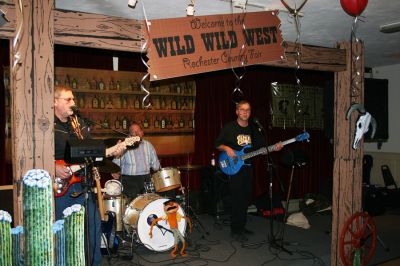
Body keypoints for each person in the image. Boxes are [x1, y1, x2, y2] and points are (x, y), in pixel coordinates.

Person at [54, 85, 124, 265]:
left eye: (73, 99)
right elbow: (35, 153)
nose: (73, 103)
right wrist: (52, 167)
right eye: (68, 99)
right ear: (54, 102)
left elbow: (90, 152)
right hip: (59, 188)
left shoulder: (78, 124)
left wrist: (113, 151)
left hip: (81, 184)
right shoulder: (47, 126)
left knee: (93, 227)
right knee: (63, 231)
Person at [215, 100, 282, 242]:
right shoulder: (229, 128)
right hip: (234, 167)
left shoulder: (253, 129)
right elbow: (217, 144)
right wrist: (227, 149)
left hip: (247, 168)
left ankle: (242, 226)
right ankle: (235, 229)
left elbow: (261, 150)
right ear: (237, 112)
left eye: (248, 110)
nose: (245, 112)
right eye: (242, 109)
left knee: (245, 198)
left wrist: (272, 148)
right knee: (237, 199)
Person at [112, 122, 161, 201]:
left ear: (142, 133)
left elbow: (156, 166)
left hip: (146, 180)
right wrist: (115, 170)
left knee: (148, 205)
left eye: (138, 131)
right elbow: (114, 165)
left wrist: (157, 169)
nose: (136, 133)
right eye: (133, 132)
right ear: (129, 135)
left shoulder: (148, 145)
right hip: (129, 181)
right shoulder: (125, 146)